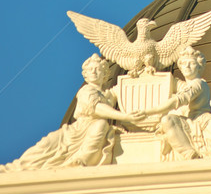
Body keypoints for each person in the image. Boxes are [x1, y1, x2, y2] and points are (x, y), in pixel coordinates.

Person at [0, 54, 141, 171]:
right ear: (85, 74)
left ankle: (81, 160)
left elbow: (123, 88)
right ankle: (15, 167)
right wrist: (124, 116)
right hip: (74, 132)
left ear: (105, 74)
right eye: (90, 69)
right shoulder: (87, 91)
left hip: (90, 129)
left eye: (97, 69)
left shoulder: (106, 95)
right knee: (45, 146)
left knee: (101, 124)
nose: (93, 72)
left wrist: (139, 73)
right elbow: (97, 107)